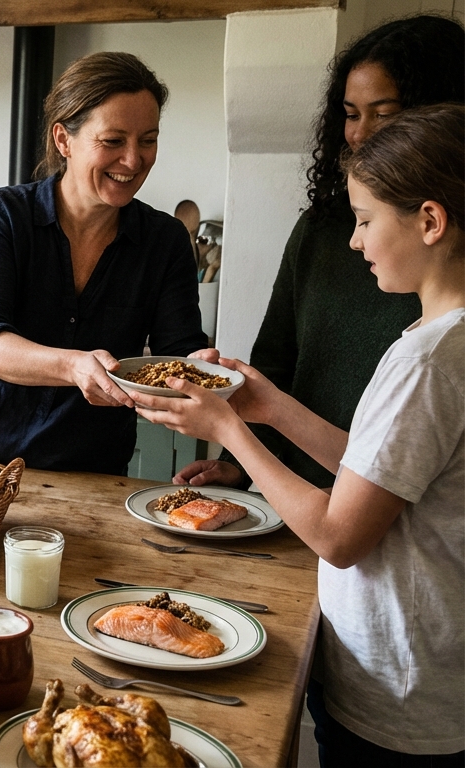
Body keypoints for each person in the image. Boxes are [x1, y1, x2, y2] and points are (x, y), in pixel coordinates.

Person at [137, 104, 463, 765]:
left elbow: (339, 536)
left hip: (398, 699)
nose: (354, 241)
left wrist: (228, 429)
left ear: (429, 221)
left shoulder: (430, 361)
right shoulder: (444, 343)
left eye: (366, 220)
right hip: (417, 681)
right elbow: (375, 472)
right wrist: (270, 407)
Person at [176, 15, 464, 489]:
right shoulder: (320, 231)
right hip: (296, 491)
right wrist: (241, 459)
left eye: (385, 113)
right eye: (351, 114)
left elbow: (347, 527)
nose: (360, 133)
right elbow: (275, 358)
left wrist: (231, 430)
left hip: (384, 512)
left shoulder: (431, 346)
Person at [0, 52, 207, 475]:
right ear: (64, 140)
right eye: (113, 141)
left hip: (92, 469)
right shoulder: (2, 215)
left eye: (148, 140)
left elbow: (177, 356)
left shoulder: (165, 240)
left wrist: (203, 371)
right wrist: (73, 365)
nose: (134, 161)